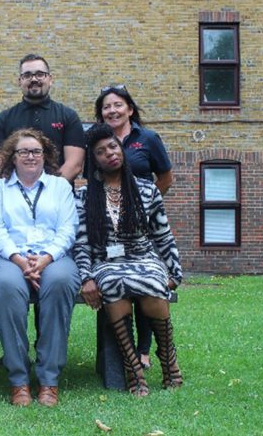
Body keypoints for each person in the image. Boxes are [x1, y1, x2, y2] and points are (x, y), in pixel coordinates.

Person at [74, 123, 183, 396]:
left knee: (151, 281)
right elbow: (82, 243)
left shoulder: (147, 190)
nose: (110, 153)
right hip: (105, 262)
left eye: (113, 146)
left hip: (143, 256)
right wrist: (86, 277)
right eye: (101, 151)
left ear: (121, 149)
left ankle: (169, 361)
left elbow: (163, 235)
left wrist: (174, 272)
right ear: (94, 159)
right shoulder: (85, 196)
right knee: (113, 282)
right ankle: (133, 368)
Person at [0, 128, 80, 407]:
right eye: (23, 151)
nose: (30, 156)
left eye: (36, 151)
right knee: (6, 285)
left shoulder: (60, 187)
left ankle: (49, 380)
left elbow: (68, 229)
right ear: (12, 157)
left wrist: (46, 258)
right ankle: (19, 379)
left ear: (45, 155)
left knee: (60, 281)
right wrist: (20, 260)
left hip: (54, 258)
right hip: (6, 259)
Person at [95, 84, 174, 368]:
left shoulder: (148, 139)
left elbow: (164, 177)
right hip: (112, 234)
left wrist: (143, 209)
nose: (112, 110)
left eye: (118, 105)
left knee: (147, 280)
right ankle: (128, 356)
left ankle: (144, 349)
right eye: (106, 107)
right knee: (124, 279)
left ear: (129, 109)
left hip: (143, 230)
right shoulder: (97, 143)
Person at [0, 54, 85, 183]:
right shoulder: (3, 119)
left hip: (57, 198)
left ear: (50, 79)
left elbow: (74, 164)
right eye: (27, 75)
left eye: (40, 74)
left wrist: (49, 190)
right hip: (15, 199)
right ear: (19, 81)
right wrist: (20, 190)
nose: (34, 79)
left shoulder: (68, 116)